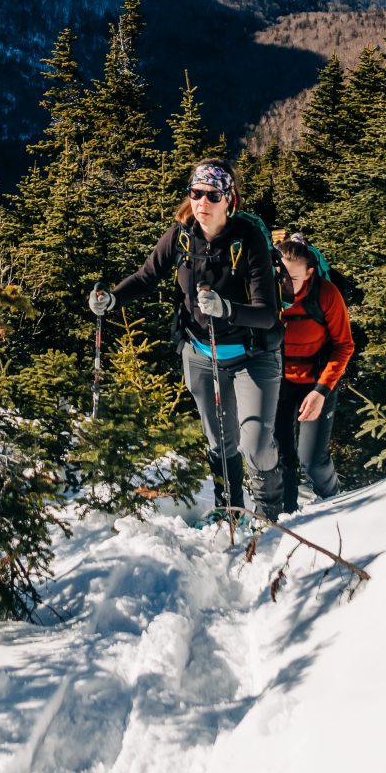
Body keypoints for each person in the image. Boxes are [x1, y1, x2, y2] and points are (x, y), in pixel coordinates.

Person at [91, 160, 282, 522]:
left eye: (212, 195)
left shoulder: (249, 240)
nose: (202, 202)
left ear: (229, 200)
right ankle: (230, 511)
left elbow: (267, 312)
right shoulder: (180, 236)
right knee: (220, 442)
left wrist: (227, 309)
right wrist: (112, 298)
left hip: (251, 355)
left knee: (254, 444)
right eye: (196, 193)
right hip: (200, 353)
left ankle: (271, 512)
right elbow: (147, 276)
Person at [269, 232, 354, 515]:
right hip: (278, 382)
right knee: (282, 457)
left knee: (312, 460)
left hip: (317, 384)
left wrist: (321, 391)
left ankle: (335, 502)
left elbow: (344, 346)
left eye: (293, 279)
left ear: (309, 273)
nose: (285, 284)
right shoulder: (267, 292)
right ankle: (288, 515)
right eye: (281, 276)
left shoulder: (326, 295)